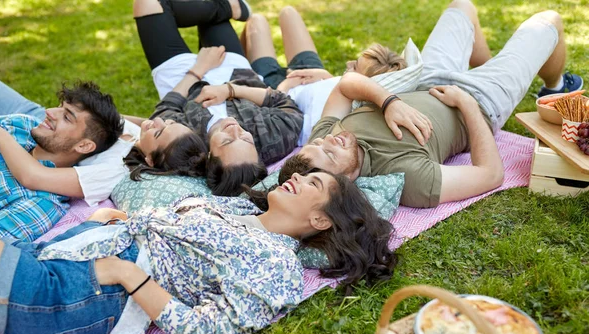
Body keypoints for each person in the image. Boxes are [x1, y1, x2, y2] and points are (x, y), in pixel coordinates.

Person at [0, 171, 397, 334]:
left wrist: (126, 273)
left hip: (73, 294)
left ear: (321, 220)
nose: (299, 176)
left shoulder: (276, 266)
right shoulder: (235, 206)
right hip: (64, 251)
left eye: (314, 184)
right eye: (306, 172)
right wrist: (114, 221)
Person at [280, 0, 584, 208]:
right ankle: (554, 86)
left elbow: (346, 83)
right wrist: (465, 103)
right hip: (480, 99)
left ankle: (497, 65)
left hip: (426, 77)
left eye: (322, 141)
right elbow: (490, 174)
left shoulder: (324, 138)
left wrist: (388, 103)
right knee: (549, 22)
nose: (332, 138)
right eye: (331, 152)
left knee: (461, 5)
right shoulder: (406, 179)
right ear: (345, 180)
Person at [133, 0, 304, 196]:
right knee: (210, 13)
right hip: (235, 72)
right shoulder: (273, 140)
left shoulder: (185, 144)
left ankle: (231, 7)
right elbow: (283, 102)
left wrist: (198, 70)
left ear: (209, 155)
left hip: (182, 77)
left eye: (227, 142)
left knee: (147, 4)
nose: (234, 130)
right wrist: (230, 90)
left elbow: (166, 108)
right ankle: (230, 7)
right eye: (246, 139)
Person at [0, 75, 208, 217]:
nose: (157, 120)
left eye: (160, 131)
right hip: (44, 120)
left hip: (46, 135)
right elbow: (109, 118)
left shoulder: (114, 171)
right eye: (169, 122)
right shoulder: (140, 134)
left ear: (150, 159)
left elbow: (33, 177)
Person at [242, 6, 409, 144]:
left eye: (354, 67)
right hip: (314, 74)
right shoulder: (350, 87)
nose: (347, 63)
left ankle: (237, 61)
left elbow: (291, 124)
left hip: (278, 91)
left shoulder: (330, 119)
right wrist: (327, 77)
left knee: (255, 22)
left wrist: (284, 87)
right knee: (288, 12)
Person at [0, 80, 124, 241]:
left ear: (84, 145)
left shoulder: (43, 204)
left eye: (66, 117)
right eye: (60, 106)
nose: (49, 111)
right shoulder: (22, 125)